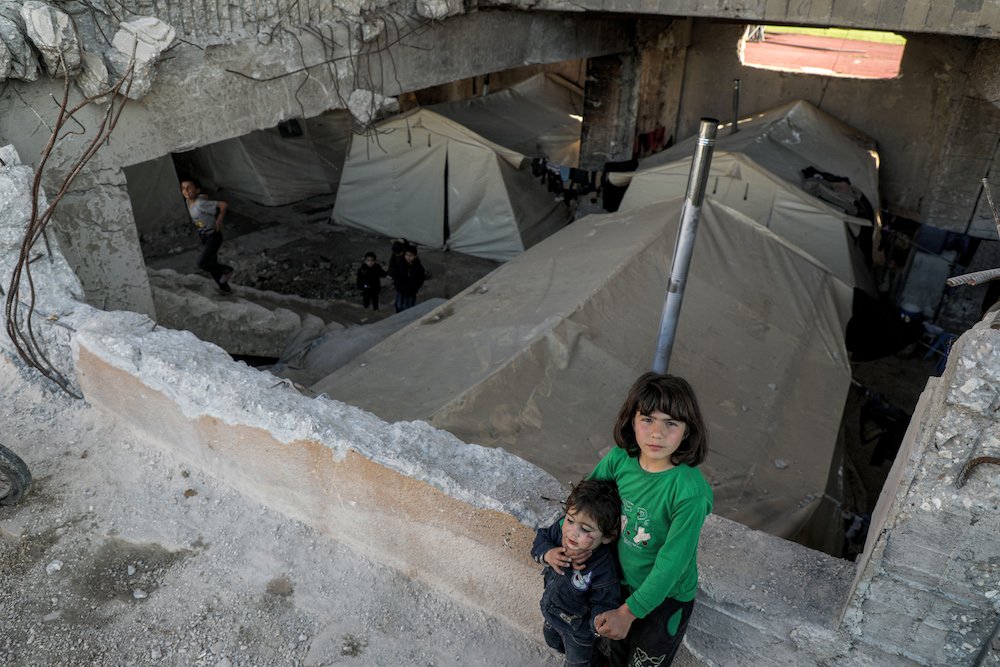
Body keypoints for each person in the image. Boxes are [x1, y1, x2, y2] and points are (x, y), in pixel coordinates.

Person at [579, 372, 713, 667]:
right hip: (620, 583)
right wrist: (562, 541)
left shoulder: (689, 492)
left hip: (665, 598)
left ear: (688, 431)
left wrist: (629, 612)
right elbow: (584, 506)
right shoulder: (619, 461)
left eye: (671, 423)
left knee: (643, 662)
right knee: (615, 651)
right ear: (631, 420)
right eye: (647, 419)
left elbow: (672, 562)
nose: (657, 433)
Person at [531, 479, 622, 667]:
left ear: (608, 537)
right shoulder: (559, 531)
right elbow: (541, 538)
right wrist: (548, 553)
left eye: (585, 530)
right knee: (552, 641)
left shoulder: (603, 567)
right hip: (550, 611)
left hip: (578, 631)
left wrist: (598, 621)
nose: (572, 533)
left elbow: (605, 601)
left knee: (577, 662)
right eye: (570, 521)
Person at [181, 179, 233, 293]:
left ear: (197, 190)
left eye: (189, 188)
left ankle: (227, 270)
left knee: (202, 262)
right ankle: (225, 288)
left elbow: (223, 205)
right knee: (211, 264)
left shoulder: (200, 204)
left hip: (213, 236)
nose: (186, 191)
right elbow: (203, 196)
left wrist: (219, 219)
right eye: (183, 188)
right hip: (204, 236)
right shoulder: (189, 201)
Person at [389, 244, 425, 312]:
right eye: (406, 255)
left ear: (415, 256)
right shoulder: (401, 264)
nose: (408, 257)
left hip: (410, 292)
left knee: (409, 308)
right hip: (400, 290)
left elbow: (421, 279)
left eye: (410, 255)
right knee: (399, 305)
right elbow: (395, 275)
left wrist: (414, 288)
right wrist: (397, 286)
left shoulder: (418, 268)